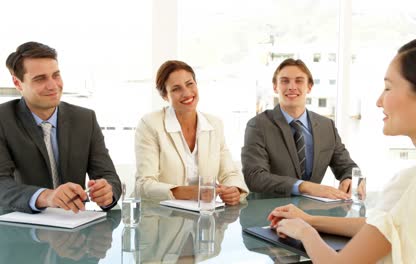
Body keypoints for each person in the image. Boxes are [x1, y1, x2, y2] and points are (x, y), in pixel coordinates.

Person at [268, 37, 416, 263]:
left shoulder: (414, 183)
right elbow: (384, 226)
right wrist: (310, 220)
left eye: (388, 88)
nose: (379, 101)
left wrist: (305, 233)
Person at [0, 42, 121, 214]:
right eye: (40, 79)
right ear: (18, 83)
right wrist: (46, 196)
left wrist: (107, 192)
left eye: (55, 75)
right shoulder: (3, 120)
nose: (53, 85)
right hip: (19, 229)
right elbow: (1, 184)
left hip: (74, 228)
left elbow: (108, 176)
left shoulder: (85, 119)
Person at [134, 60, 249, 205]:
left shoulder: (214, 124)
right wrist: (193, 192)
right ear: (164, 96)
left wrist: (234, 190)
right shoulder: (151, 124)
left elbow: (229, 173)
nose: (187, 93)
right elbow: (144, 185)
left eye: (190, 84)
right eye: (176, 89)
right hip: (161, 218)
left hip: (204, 219)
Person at [242, 58, 357, 199]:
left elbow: (346, 166)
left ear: (309, 87)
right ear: (275, 87)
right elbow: (255, 177)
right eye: (284, 81)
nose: (291, 87)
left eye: (299, 80)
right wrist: (303, 186)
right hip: (270, 213)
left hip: (311, 214)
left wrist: (349, 178)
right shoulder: (258, 125)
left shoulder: (327, 126)